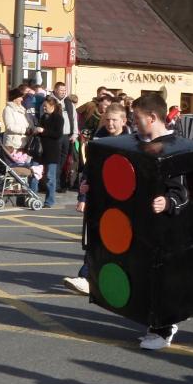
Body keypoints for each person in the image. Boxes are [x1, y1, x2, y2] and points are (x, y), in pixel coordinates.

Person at [132, 93, 189, 350]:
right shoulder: (139, 144)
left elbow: (183, 191)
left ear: (153, 117)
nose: (134, 123)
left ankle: (165, 328)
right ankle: (154, 325)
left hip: (166, 226)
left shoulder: (173, 147)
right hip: (145, 224)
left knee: (163, 276)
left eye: (137, 118)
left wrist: (168, 202)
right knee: (148, 276)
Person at [63, 103, 131, 295]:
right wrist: (83, 195)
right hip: (99, 199)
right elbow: (90, 169)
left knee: (120, 245)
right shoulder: (99, 138)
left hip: (123, 202)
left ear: (123, 121)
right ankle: (86, 277)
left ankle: (118, 282)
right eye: (107, 119)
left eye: (114, 120)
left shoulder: (132, 142)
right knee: (94, 240)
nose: (110, 123)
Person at [30, 97, 64, 208]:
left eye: (46, 106)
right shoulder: (43, 117)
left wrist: (43, 131)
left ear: (52, 106)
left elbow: (57, 134)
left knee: (50, 177)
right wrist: (36, 131)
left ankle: (49, 201)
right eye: (43, 106)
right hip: (40, 150)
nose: (44, 108)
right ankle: (32, 198)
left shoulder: (58, 118)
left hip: (52, 151)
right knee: (34, 173)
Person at [47, 82, 79, 192]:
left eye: (65, 90)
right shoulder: (50, 101)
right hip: (54, 137)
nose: (63, 92)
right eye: (61, 90)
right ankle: (54, 185)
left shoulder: (68, 102)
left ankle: (60, 184)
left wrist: (75, 134)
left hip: (67, 136)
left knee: (64, 161)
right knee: (55, 162)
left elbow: (74, 118)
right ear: (55, 90)